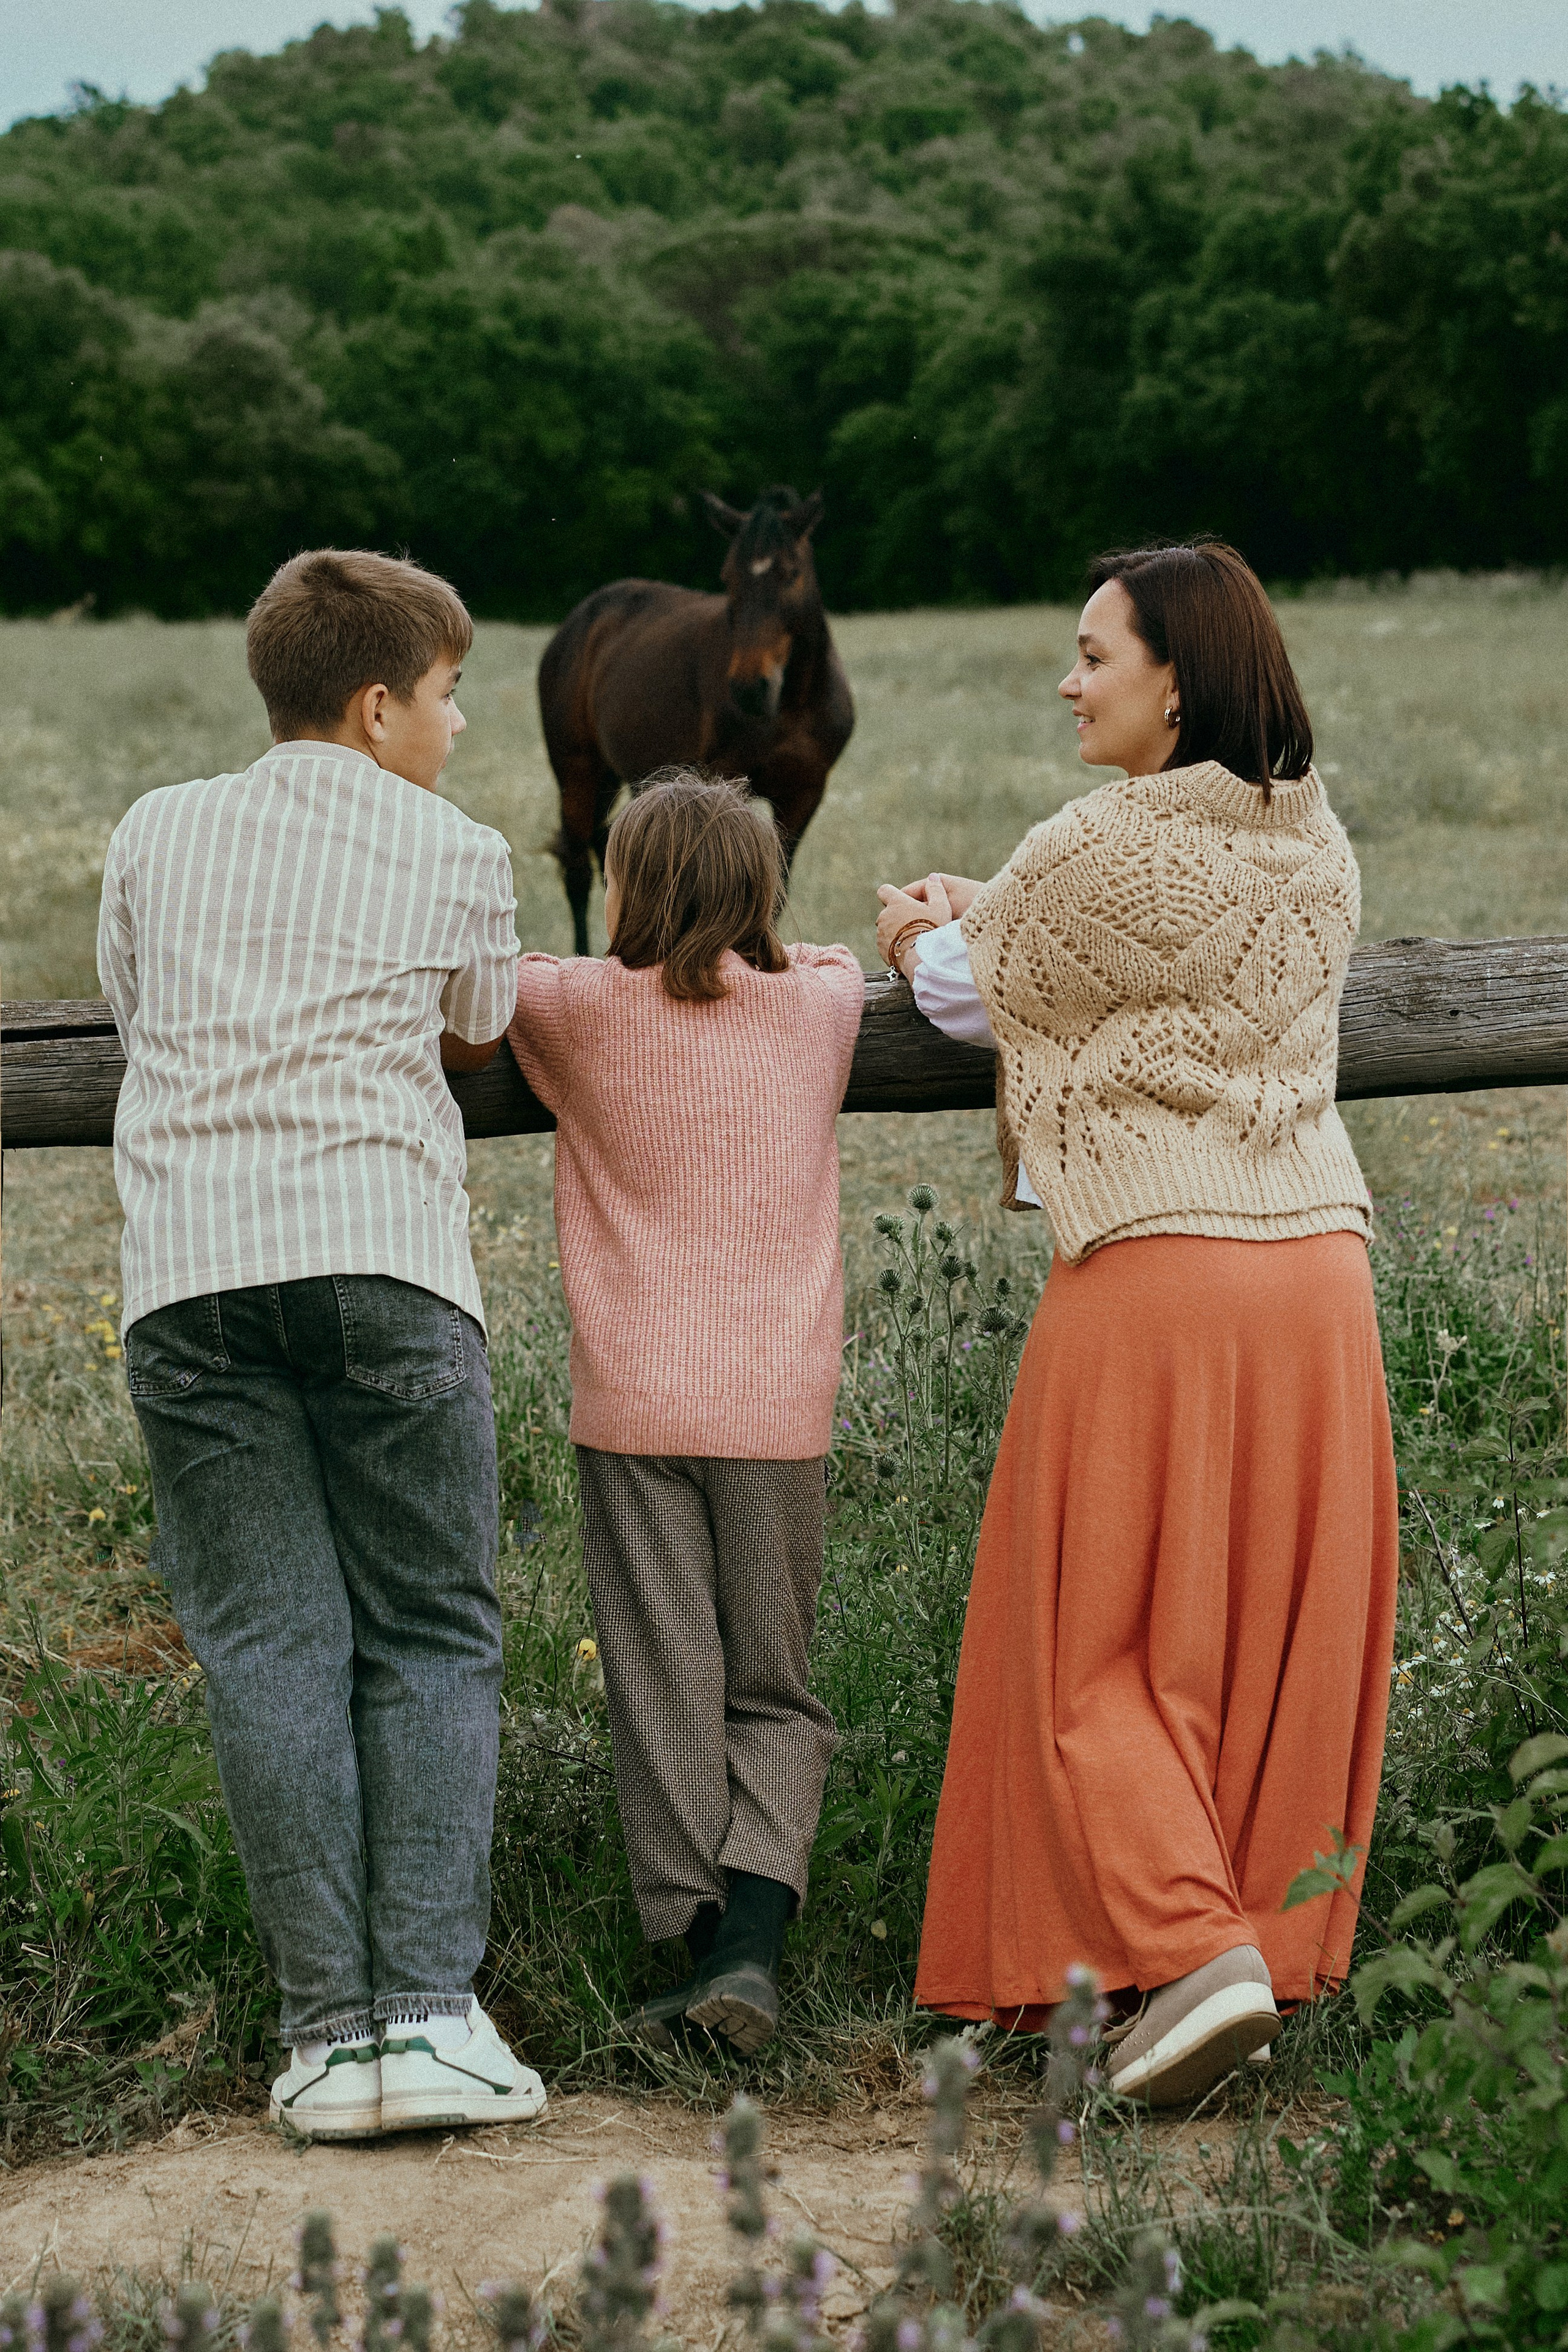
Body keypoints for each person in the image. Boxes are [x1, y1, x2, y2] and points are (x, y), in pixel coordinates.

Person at [875, 540, 1399, 2106]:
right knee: (1256, 1638)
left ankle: (1189, 1950)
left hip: (1158, 1270)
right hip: (1314, 1270)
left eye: (1094, 655)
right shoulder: (1320, 847)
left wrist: (914, 930)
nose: (1068, 679)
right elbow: (1115, 950)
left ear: (1175, 681)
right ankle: (1222, 1957)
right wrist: (996, 911)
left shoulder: (1093, 839)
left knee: (1088, 1644)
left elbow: (978, 992)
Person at [97, 548, 546, 2141]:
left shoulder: (157, 830)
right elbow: (483, 1024)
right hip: (380, 1251)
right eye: (444, 695)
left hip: (192, 1267)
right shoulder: (455, 844)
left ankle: (322, 2042)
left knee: (269, 1645)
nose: (462, 723)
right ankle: (430, 2015)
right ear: (377, 705)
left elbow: (138, 1009)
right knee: (431, 1625)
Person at [508, 771, 864, 2054]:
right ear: (761, 892)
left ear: (625, 889)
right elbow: (830, 959)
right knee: (773, 1682)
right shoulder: (819, 1009)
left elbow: (516, 971)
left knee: (661, 1673)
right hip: (778, 1402)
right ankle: (754, 1951)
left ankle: (686, 1949)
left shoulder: (578, 1011)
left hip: (635, 1399)